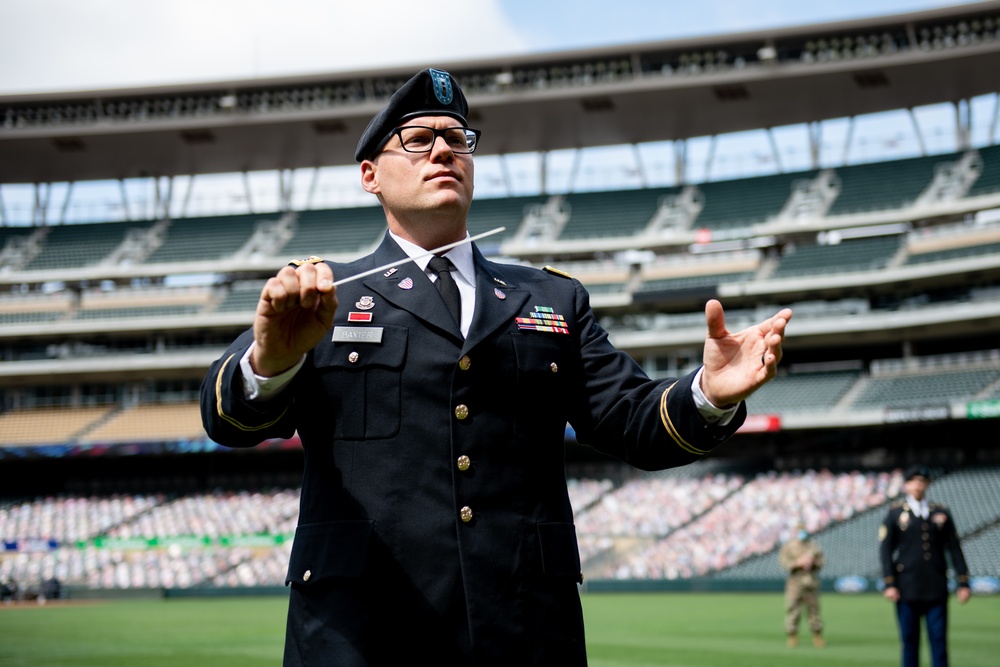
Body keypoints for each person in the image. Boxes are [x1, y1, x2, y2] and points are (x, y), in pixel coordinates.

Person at [201, 67, 793, 666]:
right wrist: (270, 362)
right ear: (369, 175)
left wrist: (709, 394)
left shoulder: (551, 299)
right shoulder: (321, 297)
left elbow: (630, 421)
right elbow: (226, 420)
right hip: (361, 633)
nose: (442, 149)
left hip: (525, 629)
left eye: (458, 139)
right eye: (418, 138)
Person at [880, 465, 971, 667]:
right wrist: (889, 583)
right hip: (906, 587)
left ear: (928, 484)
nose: (918, 485)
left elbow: (954, 547)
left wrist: (963, 581)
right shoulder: (895, 514)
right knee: (909, 640)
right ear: (907, 485)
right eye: (914, 481)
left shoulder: (940, 512)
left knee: (938, 639)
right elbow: (885, 550)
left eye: (922, 481)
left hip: (935, 586)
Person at [779, 521, 824, 648]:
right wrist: (798, 563)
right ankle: (792, 635)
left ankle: (817, 635)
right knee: (793, 610)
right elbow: (784, 563)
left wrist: (813, 562)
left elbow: (821, 562)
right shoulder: (789, 546)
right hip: (795, 582)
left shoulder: (813, 546)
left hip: (810, 581)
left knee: (814, 611)